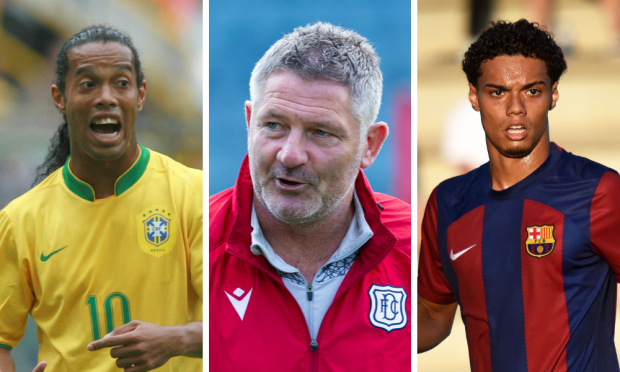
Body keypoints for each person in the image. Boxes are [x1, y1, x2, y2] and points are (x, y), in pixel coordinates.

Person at [418, 19, 620, 371]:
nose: (515, 108)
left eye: (531, 90)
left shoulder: (598, 191)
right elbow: (434, 313)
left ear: (553, 94)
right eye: (497, 91)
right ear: (473, 96)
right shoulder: (448, 203)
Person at [209, 22, 411, 371]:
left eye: (320, 132)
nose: (290, 154)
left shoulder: (416, 244)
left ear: (369, 145)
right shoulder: (196, 238)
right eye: (273, 125)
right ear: (249, 120)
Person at [0, 26, 202, 372]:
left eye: (121, 83)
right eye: (88, 84)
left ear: (140, 95)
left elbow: (241, 318)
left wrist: (176, 339)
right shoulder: (21, 220)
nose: (106, 97)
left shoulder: (192, 194)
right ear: (59, 98)